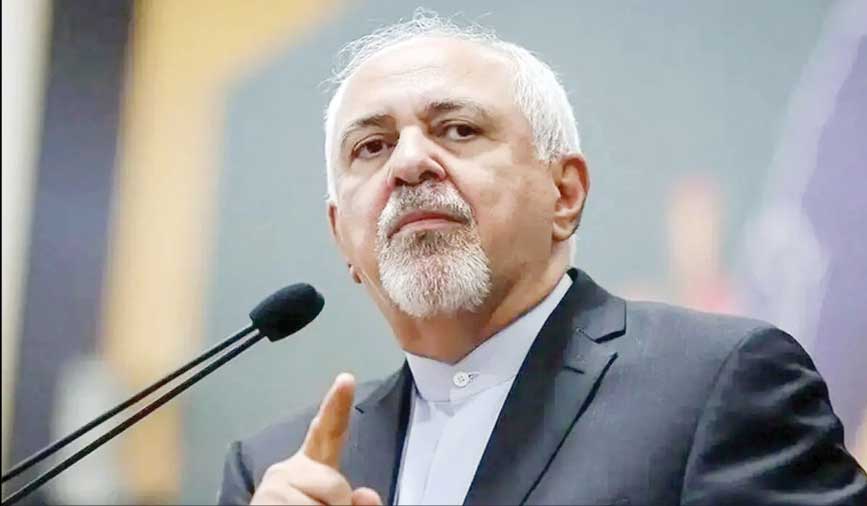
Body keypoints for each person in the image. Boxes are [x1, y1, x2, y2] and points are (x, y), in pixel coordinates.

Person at [218, 11, 867, 506]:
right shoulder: (277, 469)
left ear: (564, 193)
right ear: (342, 237)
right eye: (371, 146)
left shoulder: (717, 384)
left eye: (458, 130)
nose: (410, 162)